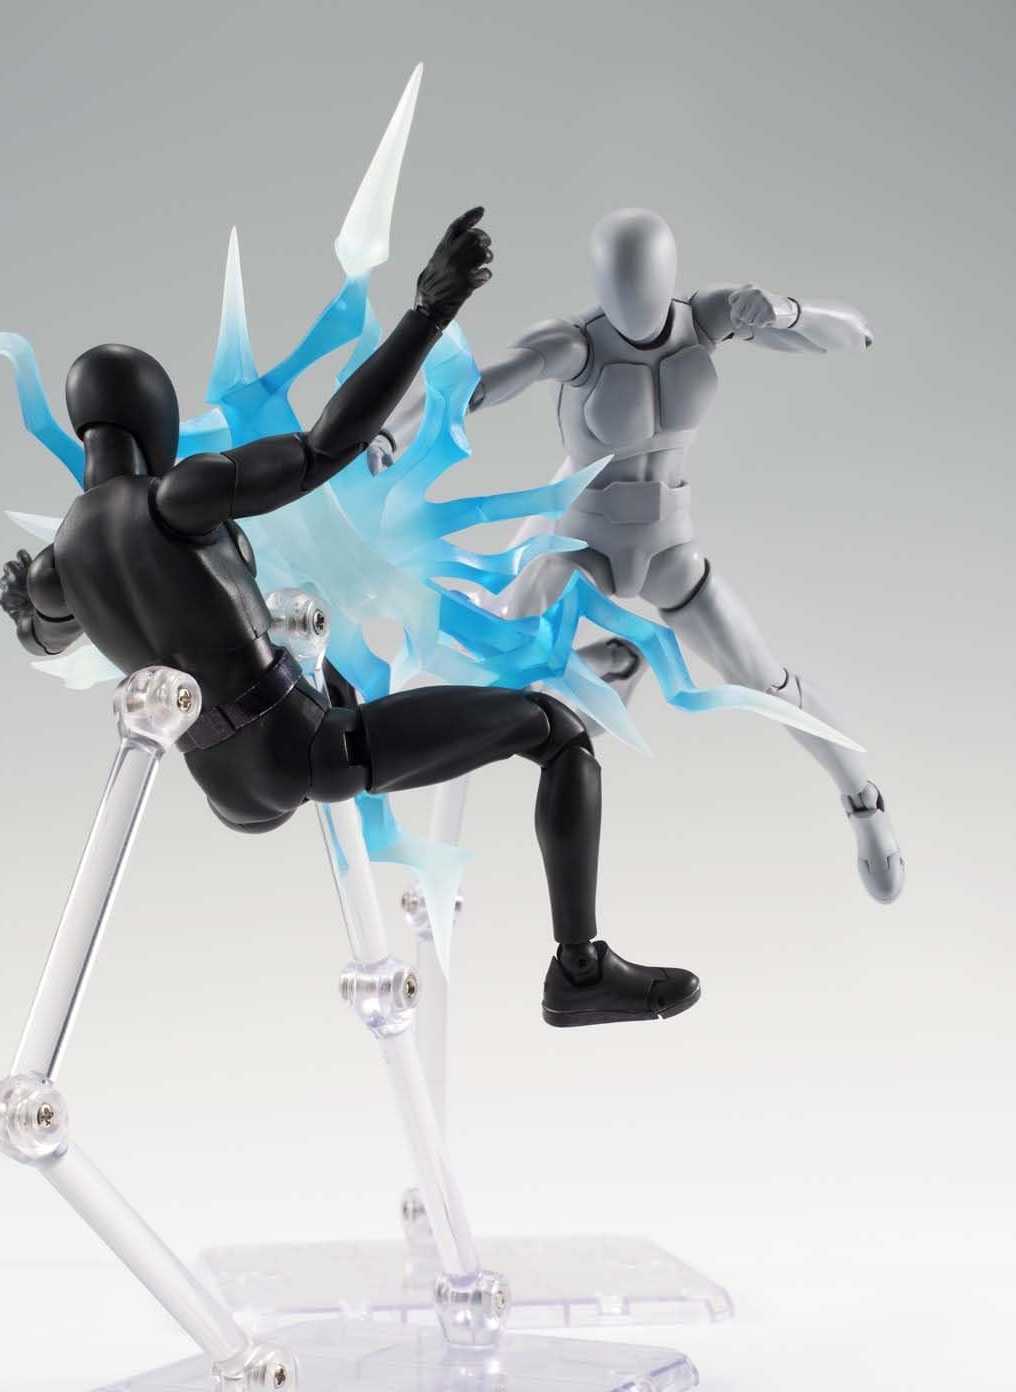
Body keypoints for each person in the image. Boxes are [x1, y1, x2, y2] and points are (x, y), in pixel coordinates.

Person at [0, 210, 700, 1027]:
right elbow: (326, 445)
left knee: (366, 682)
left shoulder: (58, 564)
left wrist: (22, 605)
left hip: (224, 779)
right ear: (154, 418)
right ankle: (577, 971)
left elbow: (43, 632)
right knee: (556, 732)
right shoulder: (173, 497)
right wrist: (428, 312)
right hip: (303, 747)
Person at [370, 208, 903, 903]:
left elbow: (853, 332)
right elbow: (474, 387)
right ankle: (422, 840)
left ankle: (864, 802)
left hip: (669, 549)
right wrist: (389, 432)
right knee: (496, 666)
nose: (635, 298)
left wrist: (784, 311)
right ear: (601, 280)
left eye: (646, 279)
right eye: (620, 281)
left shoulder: (706, 318)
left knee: (765, 683)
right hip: (578, 544)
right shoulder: (573, 345)